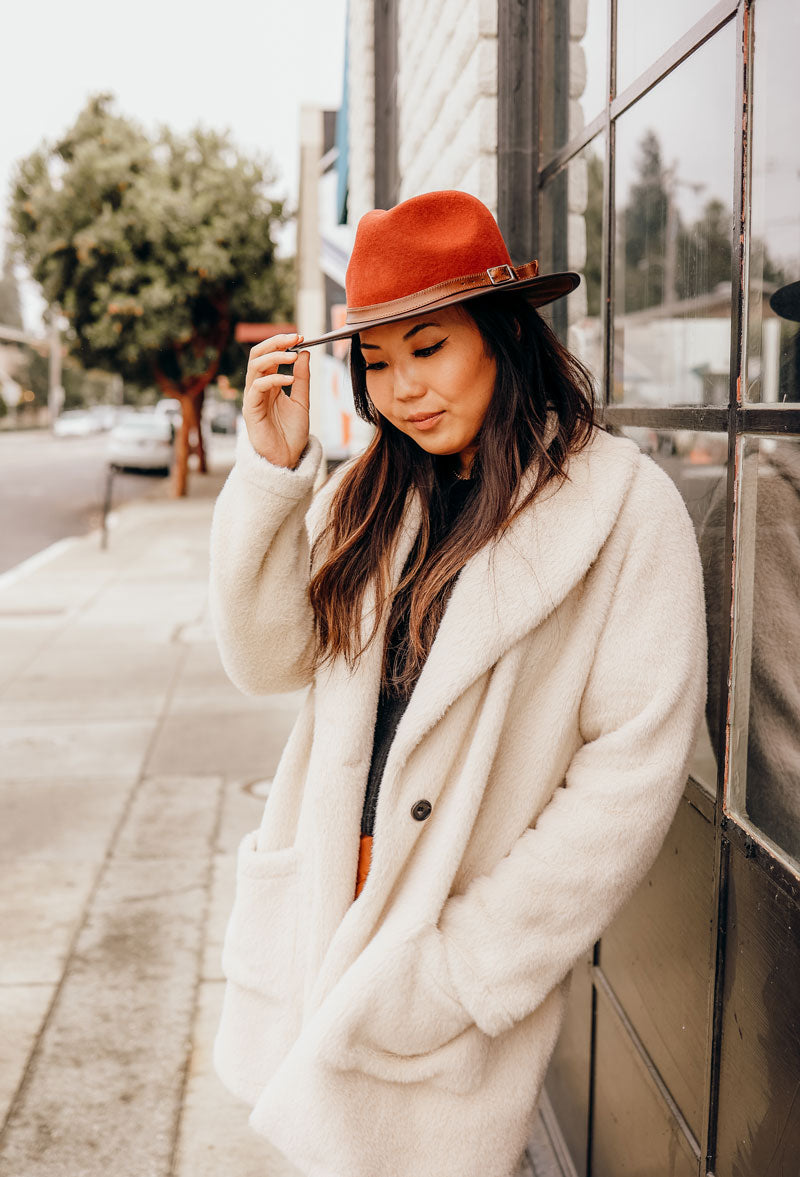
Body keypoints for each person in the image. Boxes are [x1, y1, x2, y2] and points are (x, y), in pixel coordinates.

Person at [208, 190, 708, 1177]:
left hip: (441, 927)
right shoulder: (369, 492)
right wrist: (273, 473)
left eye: (426, 348)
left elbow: (630, 774)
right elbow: (267, 661)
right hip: (324, 894)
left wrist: (466, 967)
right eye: (378, 363)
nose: (402, 390)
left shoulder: (621, 509)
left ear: (499, 335)